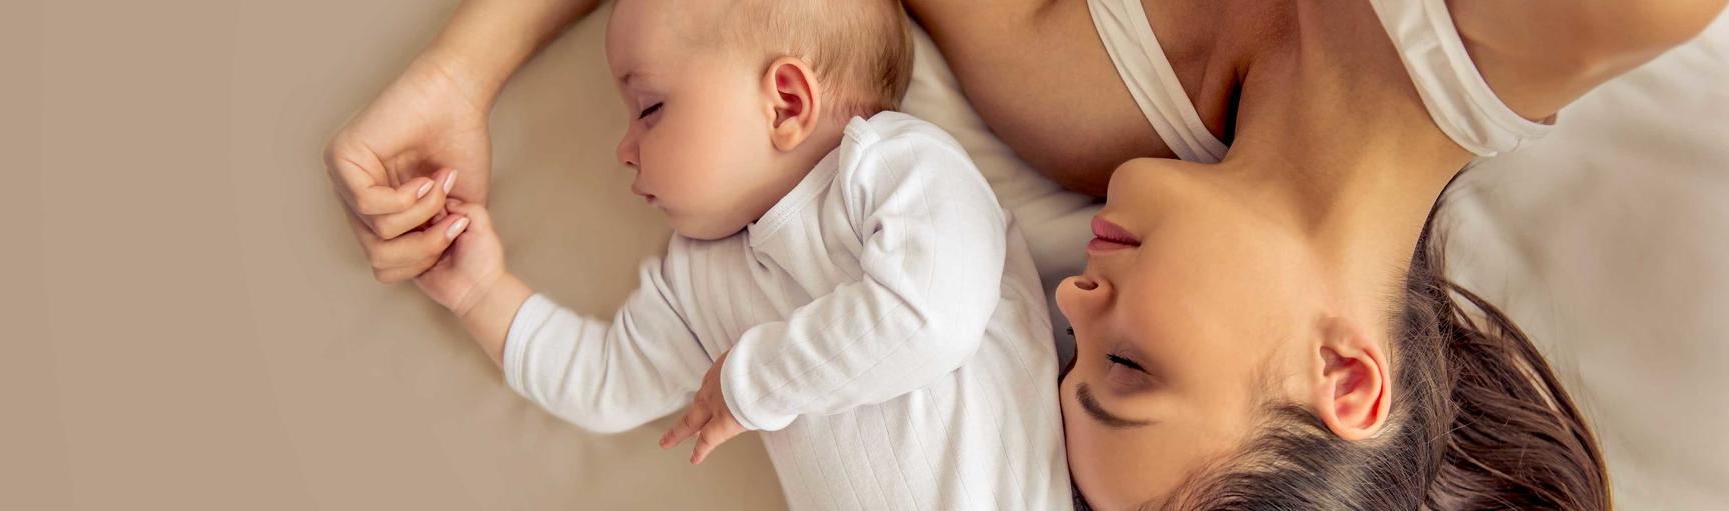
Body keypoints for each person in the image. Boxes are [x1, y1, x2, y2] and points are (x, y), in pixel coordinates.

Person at [324, 0, 1724, 508]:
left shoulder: (1062, 81)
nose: (1066, 293)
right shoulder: (1579, 14)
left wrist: (468, 59)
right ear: (1346, 378)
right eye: (1124, 363)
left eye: (1067, 356)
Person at [396, 0, 1069, 509]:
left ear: (785, 103)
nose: (623, 148)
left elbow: (932, 315)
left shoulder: (897, 167)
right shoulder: (699, 275)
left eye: (649, 107)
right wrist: (480, 293)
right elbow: (604, 380)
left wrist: (753, 384)